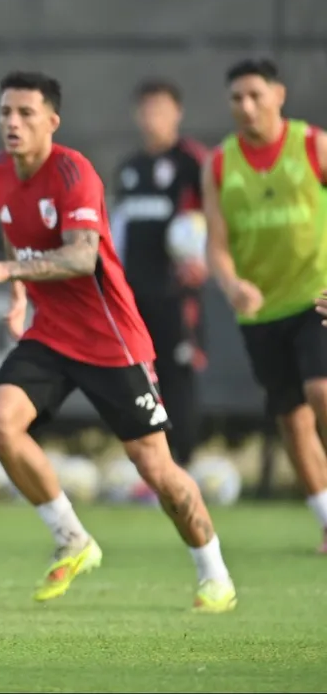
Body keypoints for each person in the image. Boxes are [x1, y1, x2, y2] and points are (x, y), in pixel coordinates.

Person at [0, 71, 236, 612]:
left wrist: (1, 269)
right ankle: (72, 538)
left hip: (111, 340)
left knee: (155, 469)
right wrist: (17, 295)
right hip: (51, 334)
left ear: (52, 122)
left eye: (26, 113)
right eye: (5, 112)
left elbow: (83, 256)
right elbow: (16, 228)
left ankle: (213, 571)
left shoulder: (74, 171)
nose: (12, 122)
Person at [204, 58, 327, 553]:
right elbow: (215, 242)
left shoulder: (313, 145)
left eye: (256, 95)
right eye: (237, 97)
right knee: (292, 419)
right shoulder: (219, 163)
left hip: (316, 295)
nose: (246, 106)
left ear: (278, 94)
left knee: (321, 390)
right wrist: (232, 283)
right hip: (260, 312)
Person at [109, 79, 209, 468]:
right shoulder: (130, 169)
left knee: (177, 375)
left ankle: (185, 463)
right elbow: (117, 231)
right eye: (147, 108)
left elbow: (216, 218)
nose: (153, 117)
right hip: (134, 296)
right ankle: (150, 466)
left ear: (177, 113)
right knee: (137, 379)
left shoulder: (192, 162)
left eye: (162, 109)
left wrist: (207, 261)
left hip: (176, 297)